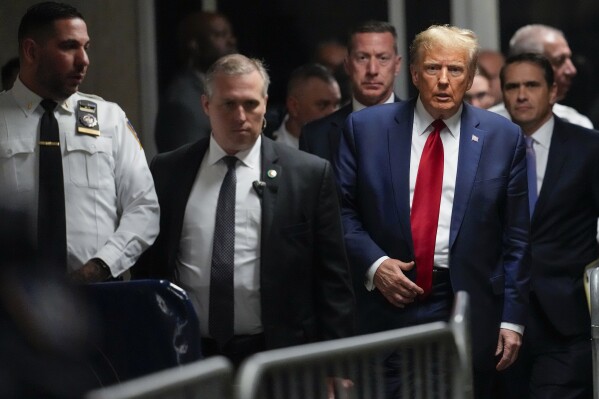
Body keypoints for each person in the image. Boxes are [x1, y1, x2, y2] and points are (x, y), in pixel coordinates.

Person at [335, 25, 530, 398]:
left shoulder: (502, 138)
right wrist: (375, 265)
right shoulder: (366, 129)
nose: (443, 81)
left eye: (455, 70)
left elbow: (516, 238)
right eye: (432, 68)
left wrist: (512, 319)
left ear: (471, 77)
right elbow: (339, 212)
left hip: (463, 303)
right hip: (385, 300)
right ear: (412, 73)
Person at [133, 54, 355, 367]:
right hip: (188, 352)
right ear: (206, 105)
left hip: (278, 354)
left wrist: (338, 364)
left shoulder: (307, 175)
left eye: (250, 104)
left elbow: (333, 281)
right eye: (228, 104)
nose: (240, 116)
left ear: (265, 103)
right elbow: (150, 266)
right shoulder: (169, 171)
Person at [0, 2, 159, 282]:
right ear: (31, 51)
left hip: (101, 294)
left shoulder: (109, 118)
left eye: (86, 47)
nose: (83, 60)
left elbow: (143, 208)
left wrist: (100, 266)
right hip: (14, 304)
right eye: (69, 46)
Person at [499, 52, 598, 398]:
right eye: (512, 86)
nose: (521, 95)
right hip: (502, 317)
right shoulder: (489, 149)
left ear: (553, 91)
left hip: (566, 318)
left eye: (531, 85)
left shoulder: (588, 147)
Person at [299, 20, 402, 163]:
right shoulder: (315, 136)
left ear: (397, 65)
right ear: (347, 65)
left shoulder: (422, 126)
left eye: (382, 58)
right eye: (362, 58)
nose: (372, 70)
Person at [154, 11, 237, 153]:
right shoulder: (182, 101)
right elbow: (187, 167)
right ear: (195, 45)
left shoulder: (222, 88)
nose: (231, 41)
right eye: (219, 35)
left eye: (229, 35)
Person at [489, 24, 593, 128]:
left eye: (569, 59)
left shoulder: (577, 124)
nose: (571, 70)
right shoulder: (484, 127)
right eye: (559, 61)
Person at [270, 63, 341, 148]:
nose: (333, 113)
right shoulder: (261, 144)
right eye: (322, 105)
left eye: (336, 104)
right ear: (294, 106)